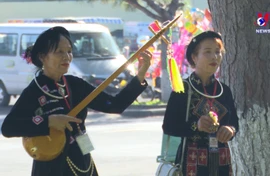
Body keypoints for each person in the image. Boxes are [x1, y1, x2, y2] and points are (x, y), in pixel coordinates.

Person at [1, 26, 152, 176]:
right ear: (42, 57)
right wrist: (48, 121)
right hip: (51, 167)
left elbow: (114, 105)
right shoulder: (35, 90)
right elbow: (9, 127)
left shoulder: (75, 85)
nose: (66, 57)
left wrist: (140, 75)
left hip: (82, 163)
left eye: (69, 51)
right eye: (59, 52)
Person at [162, 31, 239, 176]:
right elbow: (169, 127)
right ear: (194, 57)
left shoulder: (224, 90)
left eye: (218, 52)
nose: (214, 57)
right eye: (207, 52)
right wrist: (195, 125)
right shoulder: (182, 89)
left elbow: (234, 122)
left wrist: (230, 129)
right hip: (191, 161)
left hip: (221, 160)